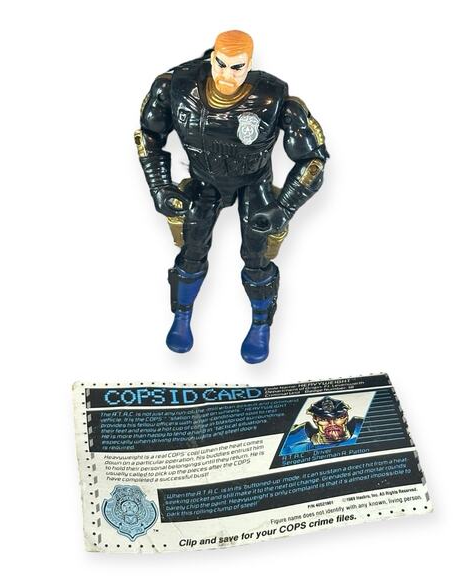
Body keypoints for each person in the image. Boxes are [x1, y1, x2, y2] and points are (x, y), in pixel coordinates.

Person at [135, 30, 328, 363]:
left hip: (253, 181)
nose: (227, 75)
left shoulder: (274, 99)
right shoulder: (176, 87)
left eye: (237, 67)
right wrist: (160, 186)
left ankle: (261, 323)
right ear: (212, 58)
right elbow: (148, 136)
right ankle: (182, 315)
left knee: (256, 254)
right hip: (204, 179)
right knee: (192, 248)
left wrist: (284, 208)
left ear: (249, 65)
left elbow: (313, 160)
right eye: (220, 64)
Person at [281, 396, 364, 455]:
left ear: (346, 417)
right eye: (324, 420)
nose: (332, 424)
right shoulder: (292, 443)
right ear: (315, 420)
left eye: (338, 418)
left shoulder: (362, 430)